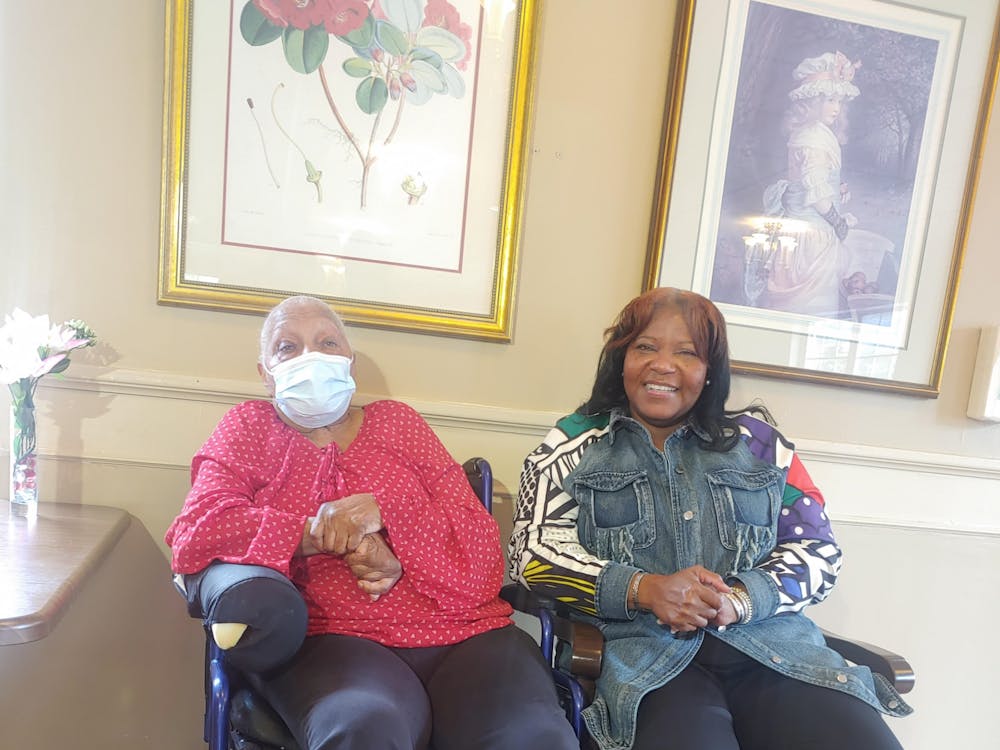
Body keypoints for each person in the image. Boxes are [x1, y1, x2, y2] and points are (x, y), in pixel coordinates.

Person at [166, 295, 577, 750]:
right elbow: (196, 532)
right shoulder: (249, 427)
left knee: (532, 738)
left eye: (327, 342)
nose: (312, 358)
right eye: (288, 347)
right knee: (364, 728)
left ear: (350, 362)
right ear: (265, 373)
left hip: (465, 633)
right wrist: (321, 533)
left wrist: (389, 519)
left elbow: (480, 558)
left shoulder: (398, 423)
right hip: (332, 637)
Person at [508, 288, 911, 750]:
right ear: (621, 358)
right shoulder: (573, 445)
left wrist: (741, 599)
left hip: (776, 653)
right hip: (647, 664)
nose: (663, 365)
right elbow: (532, 555)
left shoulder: (763, 446)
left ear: (710, 370)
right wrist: (644, 589)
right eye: (645, 347)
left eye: (687, 353)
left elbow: (819, 553)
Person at [762, 51, 895, 319]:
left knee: (814, 305)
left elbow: (815, 176)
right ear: (812, 101)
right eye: (830, 100)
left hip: (809, 230)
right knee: (809, 307)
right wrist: (838, 222)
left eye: (839, 101)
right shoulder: (812, 137)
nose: (836, 107)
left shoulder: (815, 132)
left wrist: (838, 183)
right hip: (812, 236)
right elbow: (818, 196)